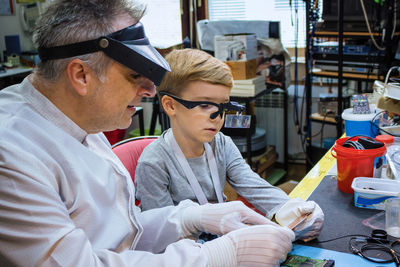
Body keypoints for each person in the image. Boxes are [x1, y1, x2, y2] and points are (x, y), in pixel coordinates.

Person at [0, 1, 295, 266]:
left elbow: (121, 234)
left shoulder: (78, 119)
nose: (150, 90)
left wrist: (187, 218)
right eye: (134, 75)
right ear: (81, 75)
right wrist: (213, 256)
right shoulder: (12, 153)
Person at [135, 48, 324, 241]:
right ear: (170, 105)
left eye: (224, 106)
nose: (218, 118)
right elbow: (163, 234)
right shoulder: (153, 164)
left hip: (220, 237)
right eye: (205, 105)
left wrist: (291, 209)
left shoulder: (222, 144)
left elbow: (252, 184)